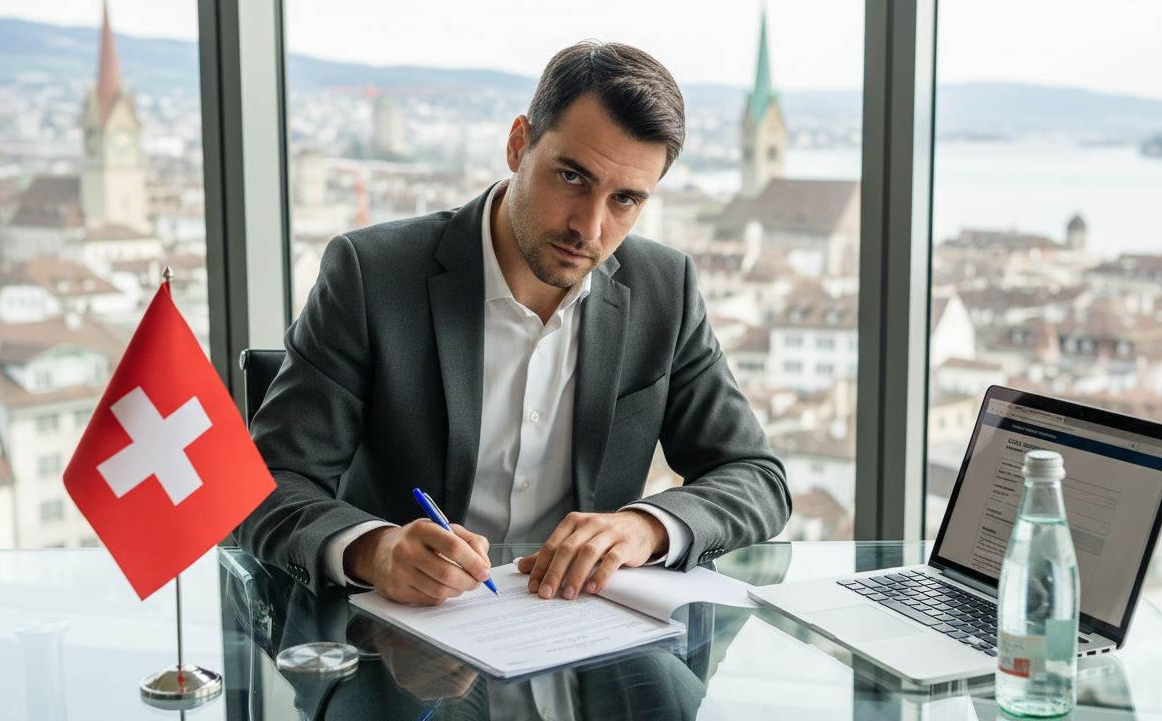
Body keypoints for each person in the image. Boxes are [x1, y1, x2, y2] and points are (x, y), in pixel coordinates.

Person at [235, 41, 790, 606]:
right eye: (572, 177)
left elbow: (756, 478)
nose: (590, 228)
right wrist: (371, 549)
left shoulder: (664, 289)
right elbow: (264, 486)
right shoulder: (370, 274)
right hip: (401, 639)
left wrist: (645, 527)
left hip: (585, 638)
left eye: (624, 199)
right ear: (518, 144)